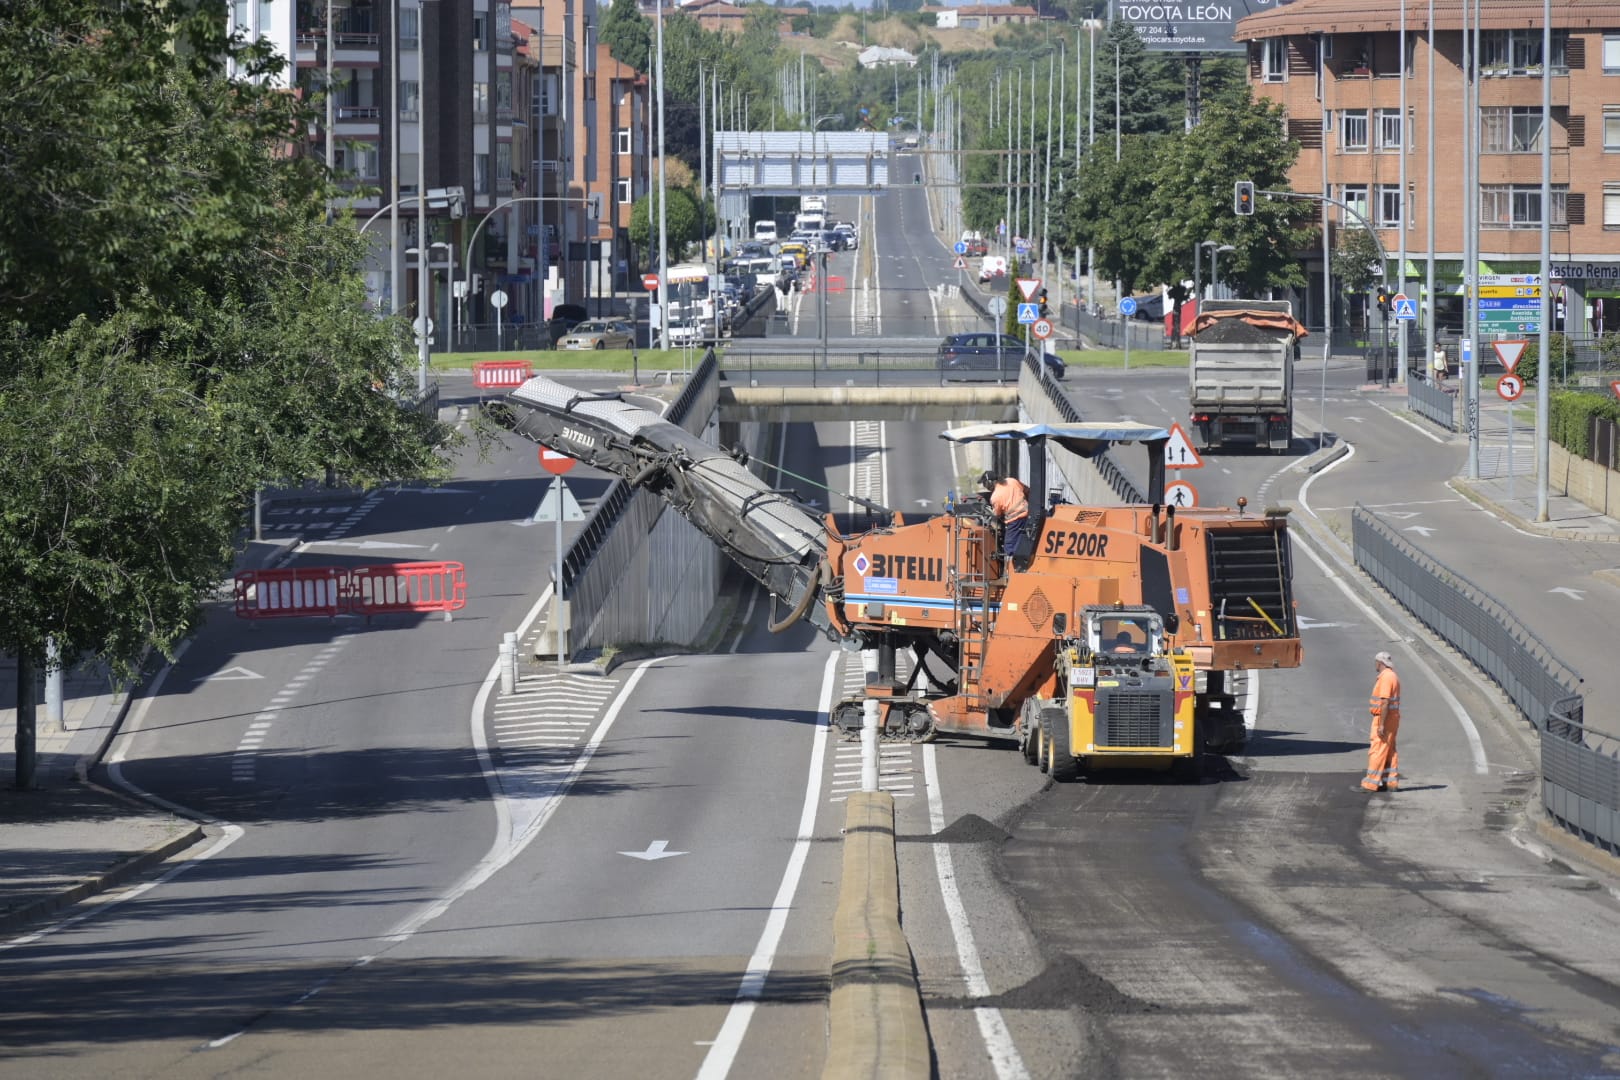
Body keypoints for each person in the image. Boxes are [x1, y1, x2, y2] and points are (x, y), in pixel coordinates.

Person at [1362, 651, 1402, 792]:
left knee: (1377, 749)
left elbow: (1384, 702)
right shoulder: (1393, 676)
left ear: (1380, 663)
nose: (1375, 664)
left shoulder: (1386, 678)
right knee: (1389, 749)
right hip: (1393, 718)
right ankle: (1390, 782)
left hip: (1384, 717)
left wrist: (1381, 724)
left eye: (1376, 662)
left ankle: (1370, 784)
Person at [988, 474, 1030, 557]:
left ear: (989, 483)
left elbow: (997, 514)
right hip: (1028, 514)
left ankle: (1016, 566)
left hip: (1015, 520)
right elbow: (1027, 490)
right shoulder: (1012, 481)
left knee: (1009, 547)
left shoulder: (995, 497)